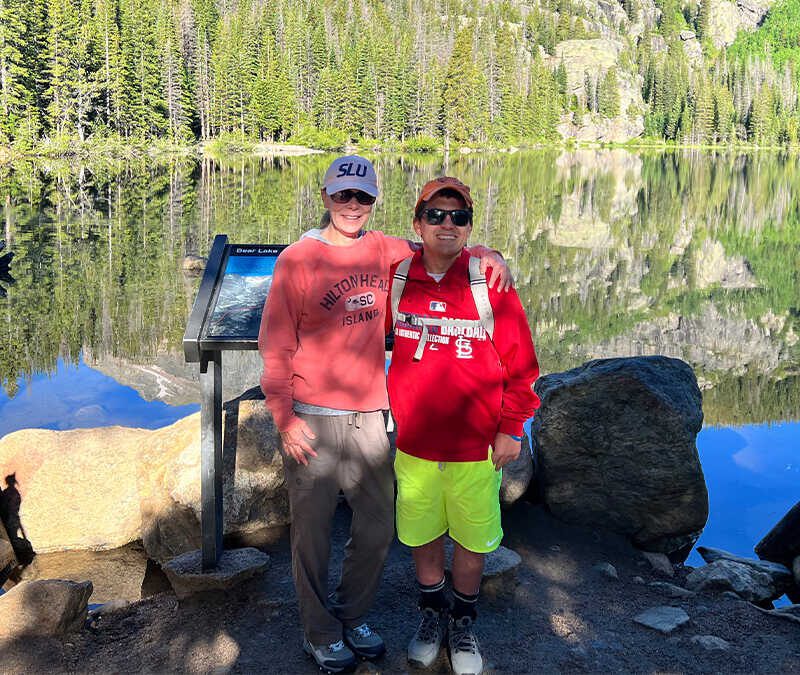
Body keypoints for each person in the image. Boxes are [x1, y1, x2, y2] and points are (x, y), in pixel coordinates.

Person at [258, 156, 511, 673]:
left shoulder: (386, 251)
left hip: (372, 415)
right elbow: (276, 345)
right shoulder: (298, 259)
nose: (352, 205)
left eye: (363, 197)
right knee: (312, 534)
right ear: (326, 196)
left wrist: (488, 250)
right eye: (342, 195)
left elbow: (443, 244)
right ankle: (320, 631)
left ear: (375, 201)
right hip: (313, 415)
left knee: (376, 530)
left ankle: (352, 616)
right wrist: (284, 416)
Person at [387, 177, 540, 675]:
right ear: (418, 223)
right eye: (435, 215)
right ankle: (432, 615)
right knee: (424, 535)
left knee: (473, 542)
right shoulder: (398, 277)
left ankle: (463, 624)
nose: (446, 224)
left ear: (470, 226)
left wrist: (511, 428)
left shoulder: (487, 281)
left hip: (476, 447)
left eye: (458, 217)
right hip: (414, 442)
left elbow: (522, 366)